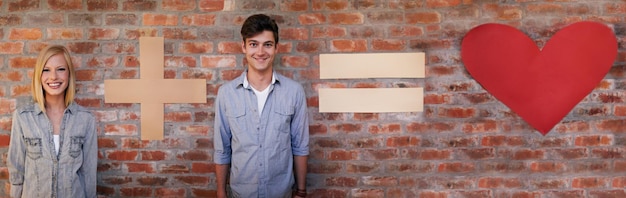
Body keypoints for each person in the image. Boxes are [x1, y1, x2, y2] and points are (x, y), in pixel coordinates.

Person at [213, 14, 309, 198]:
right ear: (243, 46)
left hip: (281, 193)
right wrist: (220, 193)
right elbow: (222, 148)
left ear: (276, 48)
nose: (260, 52)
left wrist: (301, 191)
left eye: (267, 44)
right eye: (253, 44)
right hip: (241, 193)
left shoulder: (294, 92)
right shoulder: (227, 94)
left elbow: (300, 146)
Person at [7, 45, 98, 198]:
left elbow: (88, 175)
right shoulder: (23, 118)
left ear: (69, 74)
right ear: (39, 75)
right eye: (46, 70)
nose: (53, 76)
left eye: (61, 69)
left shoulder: (86, 119)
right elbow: (17, 172)